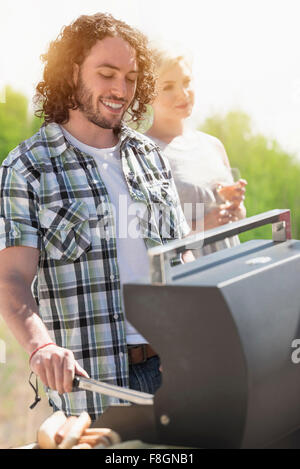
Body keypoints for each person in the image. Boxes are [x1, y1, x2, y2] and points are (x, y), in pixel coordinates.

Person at [0, 14, 191, 420]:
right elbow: (10, 277)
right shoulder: (28, 168)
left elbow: (184, 257)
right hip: (95, 388)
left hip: (178, 370)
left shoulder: (152, 157)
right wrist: (41, 347)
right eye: (106, 74)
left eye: (131, 77)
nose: (121, 90)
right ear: (71, 72)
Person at [146, 43, 247, 254]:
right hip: (192, 277)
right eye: (168, 87)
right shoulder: (146, 153)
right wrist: (201, 226)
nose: (183, 94)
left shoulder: (213, 145)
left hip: (231, 264)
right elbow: (147, 233)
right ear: (147, 94)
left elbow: (238, 217)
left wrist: (234, 208)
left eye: (186, 82)